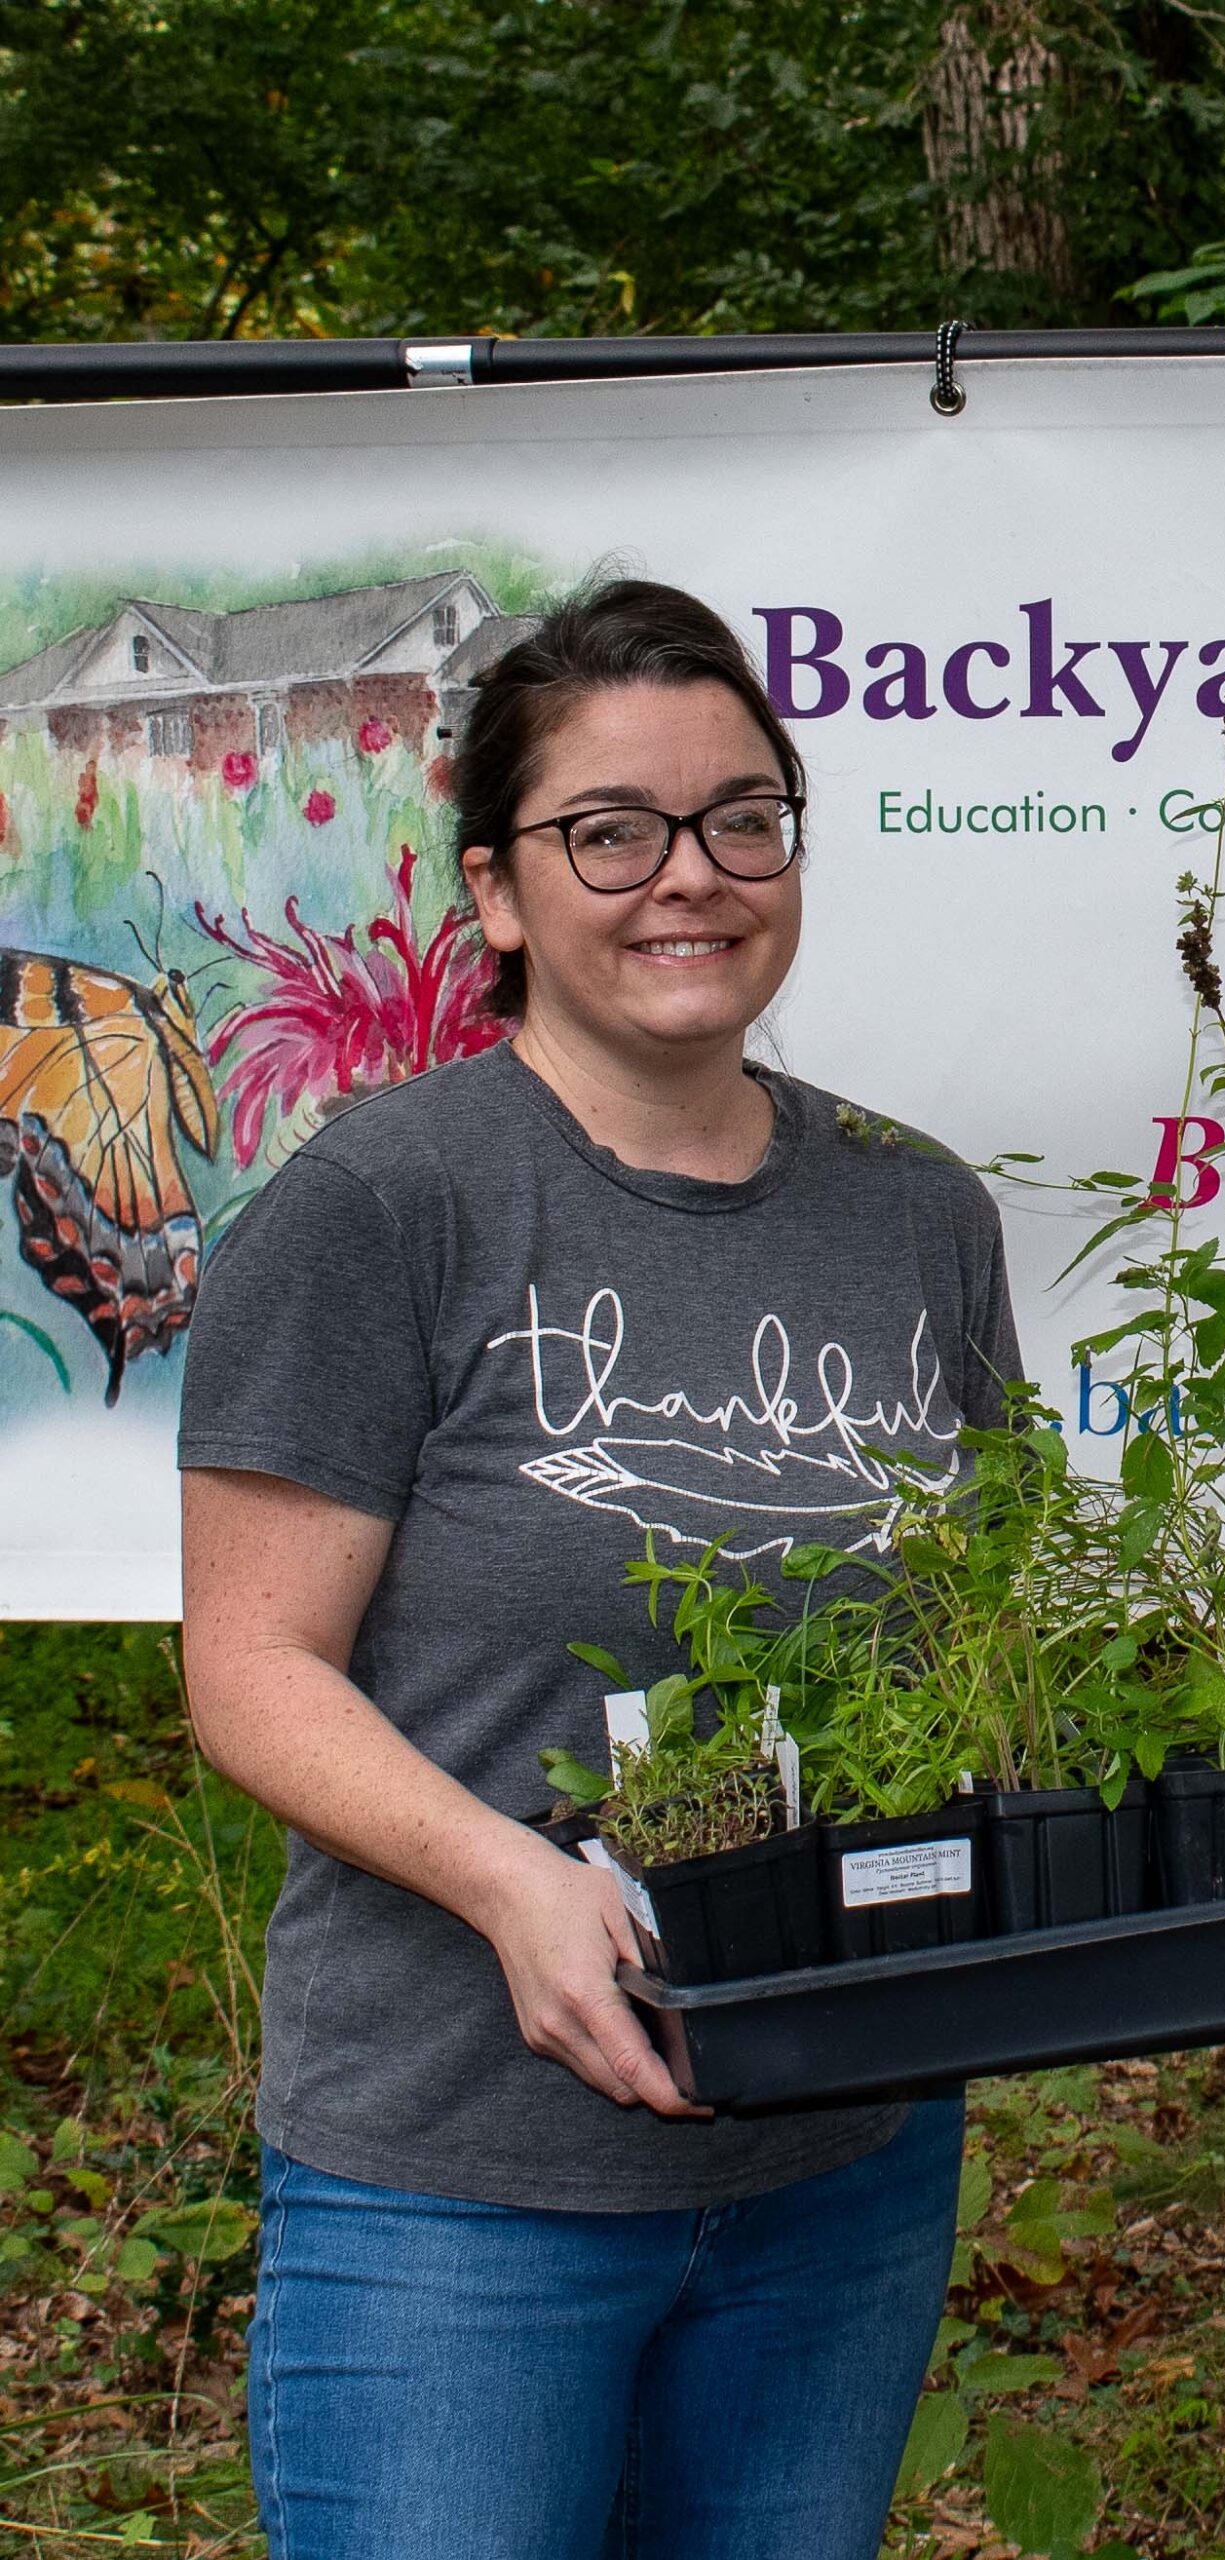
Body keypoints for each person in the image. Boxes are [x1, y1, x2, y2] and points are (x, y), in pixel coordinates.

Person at [178, 579, 1019, 2559]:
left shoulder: (912, 1210)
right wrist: (513, 1883)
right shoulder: (385, 1207)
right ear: (495, 890)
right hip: (464, 2186)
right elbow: (252, 1667)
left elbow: (983, 1634)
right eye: (610, 831)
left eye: (743, 818)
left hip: (840, 2152)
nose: (689, 876)